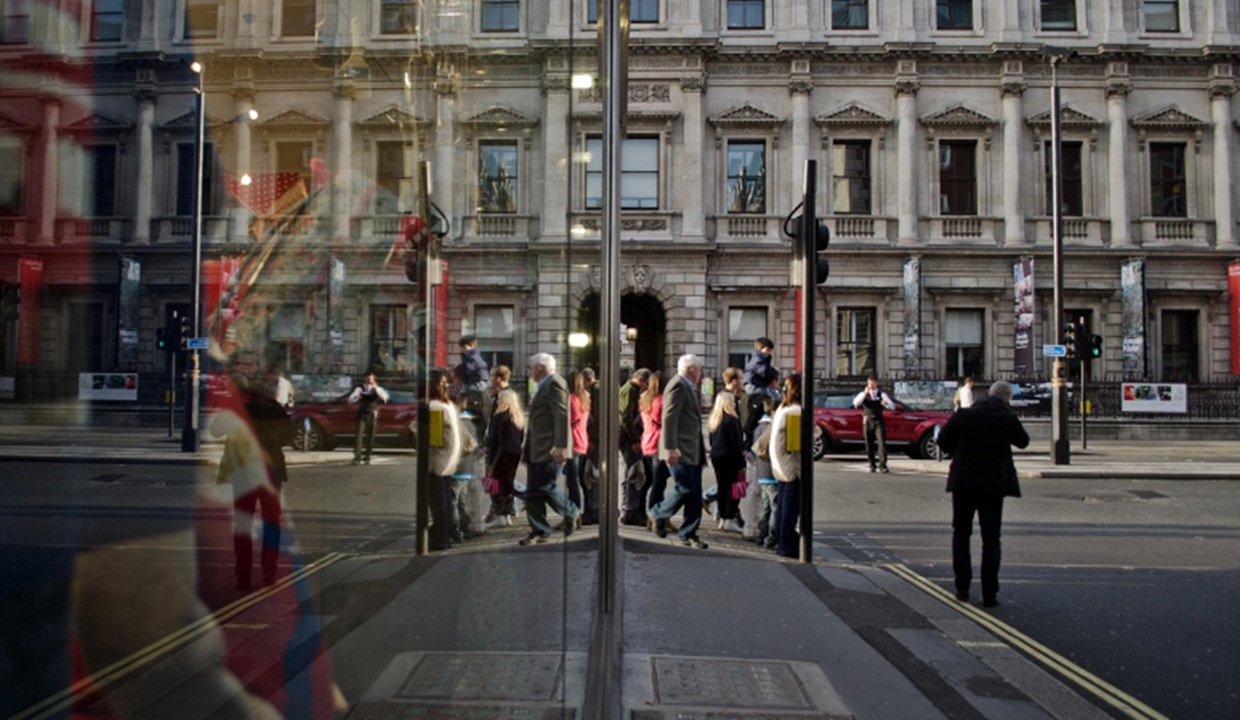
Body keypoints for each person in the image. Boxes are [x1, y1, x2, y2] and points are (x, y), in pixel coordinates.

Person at [936, 380, 1030, 608]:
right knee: (991, 539)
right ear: (1007, 399)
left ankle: (962, 588)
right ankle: (990, 594)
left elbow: (942, 439)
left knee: (961, 534)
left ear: (987, 394)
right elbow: (1023, 442)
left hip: (964, 483)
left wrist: (957, 449)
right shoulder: (1007, 419)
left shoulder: (965, 415)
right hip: (992, 486)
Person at [210, 373, 292, 590]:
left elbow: (215, 430)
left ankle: (243, 576)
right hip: (269, 469)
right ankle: (269, 573)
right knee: (271, 522)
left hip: (243, 472)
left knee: (243, 525)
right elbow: (290, 434)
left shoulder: (234, 408)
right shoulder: (271, 405)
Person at [519, 353, 579, 545]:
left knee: (542, 487)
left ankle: (568, 513)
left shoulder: (554, 383)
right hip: (538, 448)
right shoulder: (544, 384)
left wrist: (560, 446)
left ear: (539, 368)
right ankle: (540, 529)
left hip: (549, 448)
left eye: (530, 368)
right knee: (535, 491)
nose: (528, 372)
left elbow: (561, 416)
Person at [650, 354, 709, 549]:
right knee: (685, 488)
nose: (701, 373)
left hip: (692, 450)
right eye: (700, 369)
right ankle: (658, 512)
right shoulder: (678, 385)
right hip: (680, 449)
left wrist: (701, 452)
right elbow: (669, 418)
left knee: (694, 493)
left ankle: (689, 532)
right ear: (692, 370)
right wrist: (670, 448)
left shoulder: (689, 387)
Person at [425, 369, 461, 551]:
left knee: (438, 502)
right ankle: (446, 534)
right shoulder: (448, 405)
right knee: (445, 500)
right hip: (449, 461)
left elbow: (433, 438)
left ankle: (441, 539)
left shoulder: (434, 407)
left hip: (438, 462)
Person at [769, 372, 804, 559]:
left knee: (782, 507)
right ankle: (787, 546)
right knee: (789, 511)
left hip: (779, 465)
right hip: (790, 466)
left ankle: (782, 543)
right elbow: (811, 433)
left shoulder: (783, 408)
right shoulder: (795, 411)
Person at [485, 387, 525, 527]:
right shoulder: (517, 417)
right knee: (508, 483)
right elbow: (521, 437)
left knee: (496, 485)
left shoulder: (499, 416)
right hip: (513, 454)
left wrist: (489, 461)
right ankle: (506, 514)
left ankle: (500, 515)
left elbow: (494, 439)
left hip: (500, 455)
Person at [618, 368, 652, 525]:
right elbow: (626, 416)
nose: (647, 387)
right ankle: (629, 510)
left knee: (636, 473)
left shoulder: (631, 389)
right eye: (647, 383)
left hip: (631, 438)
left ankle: (632, 508)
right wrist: (633, 441)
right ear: (641, 379)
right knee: (632, 473)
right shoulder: (630, 390)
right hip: (628, 439)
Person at [708, 391, 745, 533]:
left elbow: (712, 441)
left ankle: (722, 518)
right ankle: (729, 518)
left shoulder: (714, 420)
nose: (735, 403)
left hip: (717, 457)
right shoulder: (732, 420)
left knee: (722, 487)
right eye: (732, 401)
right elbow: (737, 444)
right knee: (733, 489)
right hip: (730, 457)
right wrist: (741, 464)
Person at [639, 371, 671, 520]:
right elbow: (664, 421)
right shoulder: (661, 400)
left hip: (647, 442)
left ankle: (641, 510)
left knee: (649, 481)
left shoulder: (644, 399)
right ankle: (655, 515)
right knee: (659, 483)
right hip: (658, 444)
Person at [563, 369, 591, 529]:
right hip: (581, 440)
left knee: (571, 482)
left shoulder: (571, 399)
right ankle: (575, 514)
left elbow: (570, 419)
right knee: (574, 480)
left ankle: (573, 515)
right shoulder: (585, 397)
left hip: (572, 441)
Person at [750, 395, 779, 550]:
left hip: (762, 473)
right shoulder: (771, 427)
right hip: (772, 472)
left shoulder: (758, 427)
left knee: (765, 506)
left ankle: (762, 535)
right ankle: (771, 537)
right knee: (775, 507)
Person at [853, 375, 895, 473]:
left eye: (873, 384)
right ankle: (872, 465)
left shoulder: (882, 394)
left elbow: (892, 406)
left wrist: (886, 404)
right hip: (867, 420)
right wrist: (865, 393)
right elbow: (856, 403)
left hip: (878, 420)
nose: (871, 386)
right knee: (869, 443)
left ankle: (883, 465)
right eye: (869, 384)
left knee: (881, 443)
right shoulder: (863, 394)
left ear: (876, 384)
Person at [348, 372, 389, 465]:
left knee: (370, 436)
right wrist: (356, 397)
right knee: (358, 435)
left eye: (371, 379)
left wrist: (376, 389)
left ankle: (367, 457)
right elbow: (350, 399)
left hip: (372, 413)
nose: (369, 381)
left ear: (374, 379)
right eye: (368, 379)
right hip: (362, 413)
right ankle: (357, 457)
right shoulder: (359, 389)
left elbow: (385, 398)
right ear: (365, 379)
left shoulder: (378, 389)